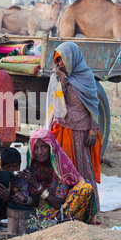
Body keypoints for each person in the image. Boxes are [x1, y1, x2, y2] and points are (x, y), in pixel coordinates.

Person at [45, 41, 102, 211]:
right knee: (62, 169)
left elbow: (93, 106)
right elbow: (56, 106)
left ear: (73, 58)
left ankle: (87, 208)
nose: (60, 64)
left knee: (83, 169)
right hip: (63, 130)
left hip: (82, 132)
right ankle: (64, 208)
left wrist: (93, 131)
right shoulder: (56, 78)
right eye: (58, 60)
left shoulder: (86, 77)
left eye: (63, 59)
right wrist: (62, 81)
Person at [17, 129, 96, 223]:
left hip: (65, 206)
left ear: (51, 147)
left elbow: (58, 203)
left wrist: (36, 184)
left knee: (86, 187)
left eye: (43, 147)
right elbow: (35, 199)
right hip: (45, 208)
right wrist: (25, 199)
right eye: (36, 148)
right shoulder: (34, 166)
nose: (39, 152)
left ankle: (61, 219)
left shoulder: (60, 166)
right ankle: (56, 221)